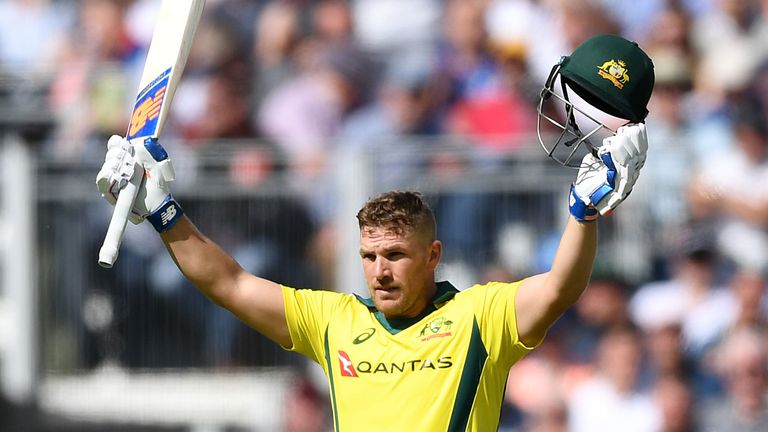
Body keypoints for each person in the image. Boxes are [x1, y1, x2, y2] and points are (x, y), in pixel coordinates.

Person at [95, 34, 653, 431]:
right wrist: (163, 210)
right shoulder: (337, 320)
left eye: (395, 255)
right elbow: (230, 284)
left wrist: (583, 214)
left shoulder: (481, 318)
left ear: (433, 255)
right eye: (369, 255)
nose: (379, 270)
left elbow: (559, 287)